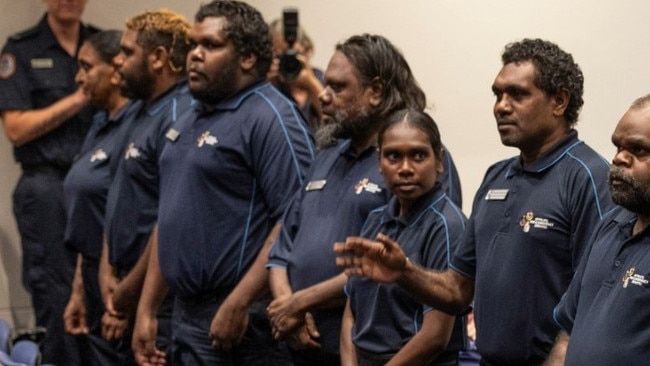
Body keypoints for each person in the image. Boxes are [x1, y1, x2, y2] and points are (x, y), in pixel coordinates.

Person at [335, 38, 616, 365]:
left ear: (559, 101)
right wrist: (404, 272)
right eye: (498, 94)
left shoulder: (589, 177)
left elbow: (599, 300)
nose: (501, 106)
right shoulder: (495, 178)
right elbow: (456, 291)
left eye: (518, 94)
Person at [132, 1, 314, 365]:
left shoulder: (271, 117)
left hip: (243, 320)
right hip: (184, 312)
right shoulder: (188, 117)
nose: (194, 55)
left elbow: (295, 221)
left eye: (210, 46)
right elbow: (169, 217)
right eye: (193, 44)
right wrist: (147, 307)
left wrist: (239, 301)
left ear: (247, 58)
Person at [266, 34, 463, 366]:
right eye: (325, 85)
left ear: (376, 92)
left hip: (387, 350)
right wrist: (289, 304)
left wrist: (302, 302)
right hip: (302, 340)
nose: (323, 96)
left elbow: (417, 274)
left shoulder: (419, 171)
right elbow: (283, 246)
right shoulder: (327, 154)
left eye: (338, 87)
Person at [0, 1, 98, 364]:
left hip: (94, 186)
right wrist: (78, 100)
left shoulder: (101, 44)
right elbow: (16, 129)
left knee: (101, 293)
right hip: (47, 186)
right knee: (56, 298)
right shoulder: (21, 49)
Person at [97, 8, 192, 363]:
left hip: (160, 300)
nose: (117, 62)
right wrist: (107, 271)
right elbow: (119, 197)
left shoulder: (179, 115)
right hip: (122, 286)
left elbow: (169, 218)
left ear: (158, 58)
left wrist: (129, 292)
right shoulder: (138, 110)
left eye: (126, 52)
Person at [340, 109, 466, 366]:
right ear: (379, 162)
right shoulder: (376, 220)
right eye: (393, 156)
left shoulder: (447, 225)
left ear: (439, 161)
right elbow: (350, 314)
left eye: (418, 156)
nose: (405, 168)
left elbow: (435, 336)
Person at [546, 95, 650, 365]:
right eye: (617, 146)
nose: (618, 159)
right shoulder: (611, 224)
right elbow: (569, 330)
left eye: (638, 150)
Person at [62, 29, 141, 365]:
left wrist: (120, 301)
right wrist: (79, 290)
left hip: (125, 281)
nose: (79, 77)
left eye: (87, 67)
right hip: (94, 275)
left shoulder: (137, 124)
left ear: (115, 69)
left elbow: (137, 213)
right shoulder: (100, 123)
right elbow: (89, 213)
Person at [267, 18, 324, 135]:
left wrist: (311, 84)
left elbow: (337, 123)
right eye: (280, 57)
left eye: (293, 56)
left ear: (308, 51)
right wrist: (269, 85)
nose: (288, 63)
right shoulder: (271, 84)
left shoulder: (324, 80)